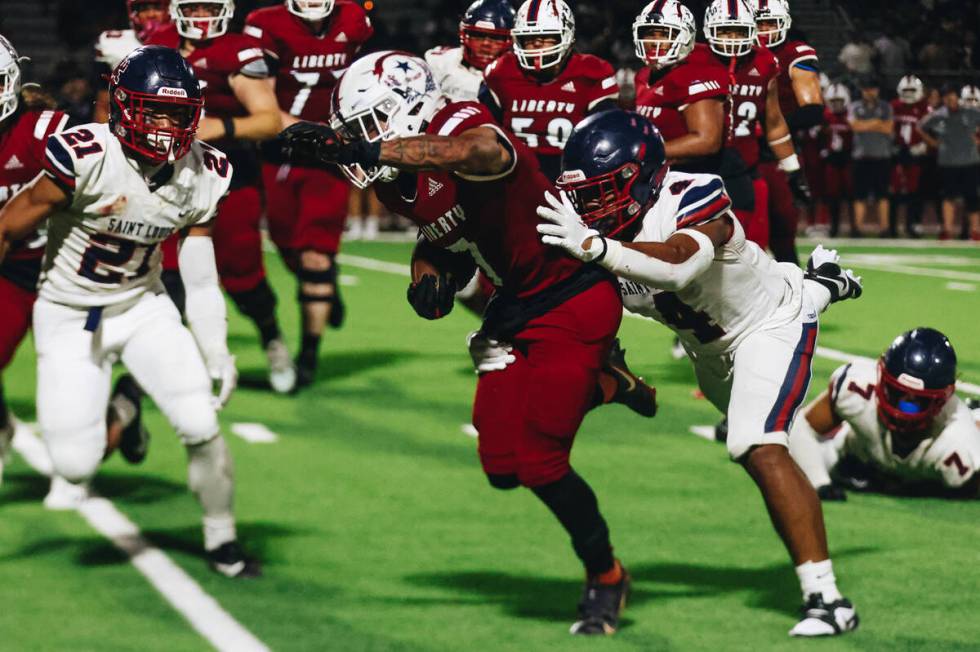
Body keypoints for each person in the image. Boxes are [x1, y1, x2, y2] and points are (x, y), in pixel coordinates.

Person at [281, 51, 631, 636]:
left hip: (573, 294)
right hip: (517, 303)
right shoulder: (400, 177)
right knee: (499, 464)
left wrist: (374, 149)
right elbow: (442, 236)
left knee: (542, 465)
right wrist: (427, 278)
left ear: (409, 109)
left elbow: (482, 153)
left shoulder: (457, 121)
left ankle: (607, 574)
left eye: (369, 128)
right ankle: (606, 382)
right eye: (355, 135)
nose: (361, 144)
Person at [535, 109, 862, 637]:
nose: (590, 208)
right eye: (583, 196)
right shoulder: (590, 231)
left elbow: (678, 265)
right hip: (709, 352)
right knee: (758, 433)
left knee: (756, 443)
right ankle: (825, 281)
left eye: (602, 191)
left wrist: (596, 248)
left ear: (641, 176)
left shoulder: (693, 193)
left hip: (769, 325)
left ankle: (828, 599)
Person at [0, 46, 258, 577]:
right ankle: (121, 413)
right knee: (73, 463)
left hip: (142, 306)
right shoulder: (86, 154)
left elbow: (200, 265)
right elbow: (6, 226)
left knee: (199, 421)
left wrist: (215, 348)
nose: (165, 126)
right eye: (152, 111)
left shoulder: (206, 171)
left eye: (177, 114)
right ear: (121, 107)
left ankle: (222, 539)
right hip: (68, 313)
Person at [0, 34, 151, 506]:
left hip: (65, 271)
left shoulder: (47, 129)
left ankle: (122, 411)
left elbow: (104, 178)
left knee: (79, 432)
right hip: (9, 270)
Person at [146, 0, 291, 391]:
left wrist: (216, 127)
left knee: (242, 276)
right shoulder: (158, 42)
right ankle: (177, 365)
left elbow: (269, 120)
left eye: (208, 8)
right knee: (166, 272)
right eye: (193, 9)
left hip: (228, 176)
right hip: (166, 175)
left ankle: (271, 334)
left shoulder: (238, 49)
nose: (201, 18)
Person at [244, 0, 373, 387]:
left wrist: (342, 138)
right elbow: (262, 101)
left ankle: (308, 356)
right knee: (288, 246)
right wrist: (312, 132)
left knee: (316, 257)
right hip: (280, 151)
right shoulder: (263, 25)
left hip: (331, 159)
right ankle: (325, 287)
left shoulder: (353, 18)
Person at [790, 328, 979, 499]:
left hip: (922, 479)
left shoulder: (960, 444)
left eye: (919, 400)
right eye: (897, 392)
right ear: (880, 376)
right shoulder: (858, 388)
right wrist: (820, 483)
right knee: (792, 461)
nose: (905, 406)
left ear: (943, 399)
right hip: (855, 458)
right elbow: (802, 427)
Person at [703, 0, 809, 250]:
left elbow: (774, 121)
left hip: (745, 170)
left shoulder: (764, 62)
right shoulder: (695, 60)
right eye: (725, 31)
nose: (731, 39)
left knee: (750, 250)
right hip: (699, 170)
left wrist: (793, 169)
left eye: (739, 31)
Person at [480, 0, 619, 182]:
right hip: (513, 176)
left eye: (546, 36)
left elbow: (605, 142)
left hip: (572, 177)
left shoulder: (592, 72)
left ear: (567, 36)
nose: (537, 44)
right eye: (529, 38)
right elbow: (485, 134)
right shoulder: (501, 72)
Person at [751, 0, 824, 265]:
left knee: (782, 229)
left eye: (770, 23)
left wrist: (766, 129)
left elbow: (813, 110)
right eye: (759, 23)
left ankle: (794, 294)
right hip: (735, 151)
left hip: (776, 153)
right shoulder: (733, 54)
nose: (764, 30)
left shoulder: (794, 54)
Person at [918, 85, 980, 240]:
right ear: (943, 99)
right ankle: (948, 230)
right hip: (947, 162)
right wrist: (932, 142)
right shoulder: (938, 115)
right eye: (947, 98)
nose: (950, 101)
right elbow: (920, 127)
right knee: (948, 198)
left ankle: (975, 231)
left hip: (970, 161)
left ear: (958, 97)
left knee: (972, 197)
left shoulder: (971, 111)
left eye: (952, 97)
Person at [93, 0, 171, 123]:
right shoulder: (114, 44)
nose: (151, 14)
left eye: (157, 7)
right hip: (128, 125)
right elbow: (103, 105)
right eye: (144, 8)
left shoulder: (185, 42)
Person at [425, 0, 514, 102]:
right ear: (463, 34)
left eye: (495, 37)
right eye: (478, 35)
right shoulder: (440, 62)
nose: (486, 44)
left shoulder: (516, 76)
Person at [848, 77, 893, 236]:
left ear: (877, 90)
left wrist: (865, 124)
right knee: (860, 195)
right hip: (861, 157)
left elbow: (888, 128)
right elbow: (854, 126)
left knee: (883, 195)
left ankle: (884, 229)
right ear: (862, 91)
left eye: (872, 89)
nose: (869, 92)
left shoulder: (886, 107)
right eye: (867, 89)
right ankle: (858, 229)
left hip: (881, 156)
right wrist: (876, 123)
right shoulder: (855, 106)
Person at [889, 76, 930, 237]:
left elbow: (932, 131)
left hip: (916, 155)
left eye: (912, 90)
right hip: (897, 153)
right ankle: (892, 227)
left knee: (915, 192)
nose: (909, 93)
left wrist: (922, 146)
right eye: (906, 90)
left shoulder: (925, 108)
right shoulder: (894, 106)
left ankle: (912, 224)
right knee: (895, 191)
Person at [821, 82, 854, 237]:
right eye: (833, 101)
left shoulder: (851, 115)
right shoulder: (825, 116)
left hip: (847, 158)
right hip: (832, 159)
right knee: (832, 195)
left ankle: (853, 226)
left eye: (839, 101)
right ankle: (834, 227)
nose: (836, 104)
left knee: (850, 194)